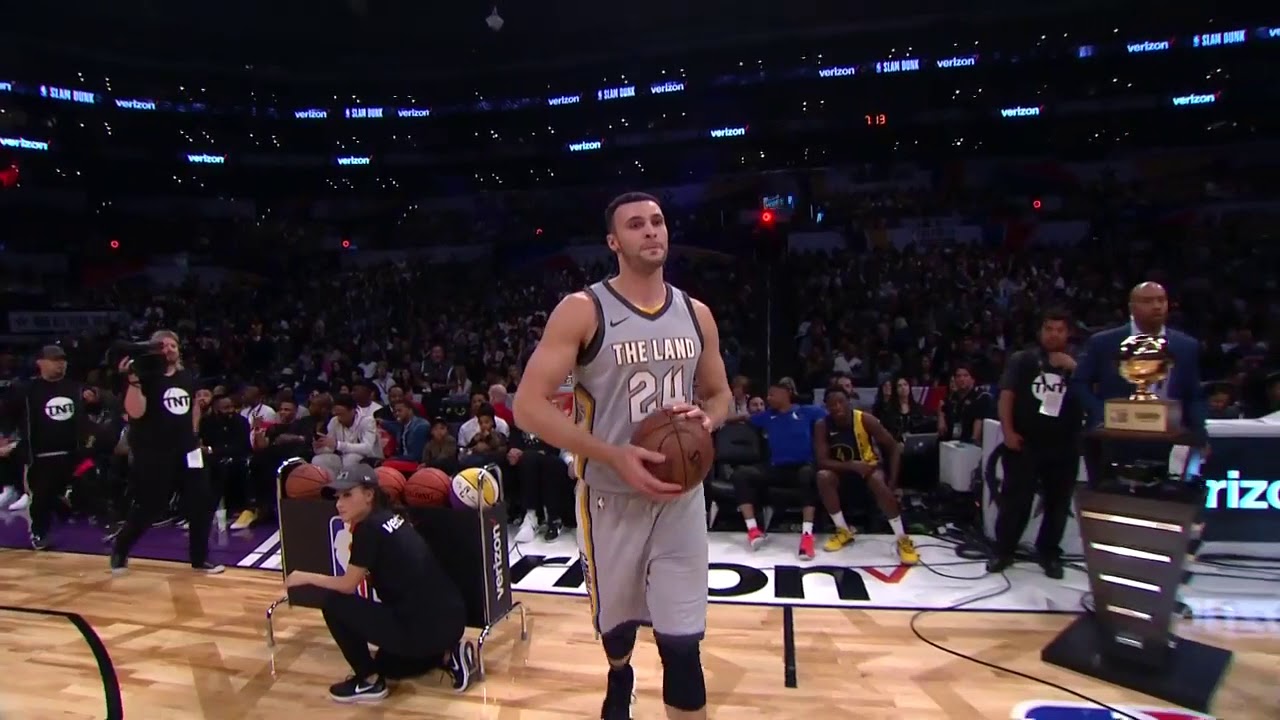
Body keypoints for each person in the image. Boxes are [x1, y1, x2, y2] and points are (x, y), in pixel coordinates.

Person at [512, 191, 732, 720]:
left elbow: (721, 394)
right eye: (636, 224)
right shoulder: (583, 309)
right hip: (611, 498)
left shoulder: (695, 313)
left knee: (683, 643)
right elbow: (526, 406)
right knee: (617, 626)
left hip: (680, 499)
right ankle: (620, 673)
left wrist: (711, 419)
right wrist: (612, 454)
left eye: (657, 221)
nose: (651, 231)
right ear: (614, 242)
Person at [284, 464, 476, 703]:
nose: (339, 503)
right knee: (388, 664)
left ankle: (369, 682)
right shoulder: (393, 518)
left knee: (334, 603)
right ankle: (449, 655)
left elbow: (347, 585)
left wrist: (305, 577)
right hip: (452, 620)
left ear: (368, 495)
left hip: (423, 628)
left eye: (347, 495)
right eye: (337, 497)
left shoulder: (369, 530)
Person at [110, 330, 223, 575]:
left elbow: (193, 405)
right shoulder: (144, 375)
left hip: (187, 449)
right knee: (150, 506)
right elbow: (135, 413)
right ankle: (121, 548)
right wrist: (133, 381)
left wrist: (193, 435)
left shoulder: (186, 375)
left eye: (173, 344)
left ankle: (199, 558)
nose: (169, 348)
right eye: (163, 345)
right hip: (154, 452)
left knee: (201, 500)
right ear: (153, 350)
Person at [988, 308, 1084, 578]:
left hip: (1064, 443)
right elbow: (1006, 395)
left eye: (1060, 330)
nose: (1054, 335)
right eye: (1049, 329)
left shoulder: (1080, 362)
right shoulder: (1023, 359)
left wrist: (1075, 370)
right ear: (1041, 332)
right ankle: (1003, 549)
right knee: (1015, 500)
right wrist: (1007, 430)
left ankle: (1049, 553)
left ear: (1068, 333)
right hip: (1025, 441)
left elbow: (1092, 395)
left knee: (1058, 502)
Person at [1072, 281, 1207, 446]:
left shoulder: (1186, 346)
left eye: (1161, 300)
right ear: (1132, 307)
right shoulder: (1103, 342)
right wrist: (1103, 413)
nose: (1157, 306)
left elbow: (1194, 395)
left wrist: (1199, 434)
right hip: (1115, 437)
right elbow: (1079, 383)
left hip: (1169, 438)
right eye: (1148, 301)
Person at [812, 386, 920, 563]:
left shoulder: (865, 419)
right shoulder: (822, 425)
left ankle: (902, 539)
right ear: (826, 407)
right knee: (823, 476)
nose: (837, 407)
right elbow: (822, 461)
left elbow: (893, 448)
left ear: (849, 403)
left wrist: (892, 483)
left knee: (878, 480)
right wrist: (852, 466)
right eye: (832, 404)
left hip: (869, 468)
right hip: (843, 471)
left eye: (841, 402)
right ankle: (843, 530)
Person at [5, 345, 89, 550]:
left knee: (89, 481)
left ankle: (102, 521)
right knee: (41, 497)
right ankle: (39, 533)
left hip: (74, 454)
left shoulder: (75, 388)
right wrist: (6, 438)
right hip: (41, 456)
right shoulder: (26, 390)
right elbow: (8, 415)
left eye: (62, 359)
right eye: (54, 360)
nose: (60, 364)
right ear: (40, 362)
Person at [728, 381, 825, 557]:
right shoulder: (767, 416)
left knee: (807, 475)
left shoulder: (807, 411)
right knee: (741, 474)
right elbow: (743, 418)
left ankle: (807, 536)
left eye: (773, 394)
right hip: (777, 469)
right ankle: (753, 531)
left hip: (802, 467)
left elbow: (831, 417)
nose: (768, 398)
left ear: (786, 394)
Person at [313, 394, 380, 475]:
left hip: (368, 457)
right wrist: (320, 447)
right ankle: (329, 485)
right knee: (319, 460)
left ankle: (349, 485)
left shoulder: (367, 421)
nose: (338, 417)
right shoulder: (334, 421)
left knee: (351, 458)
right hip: (342, 456)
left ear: (352, 410)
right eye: (336, 414)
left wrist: (339, 445)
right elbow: (331, 447)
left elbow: (367, 448)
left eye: (341, 414)